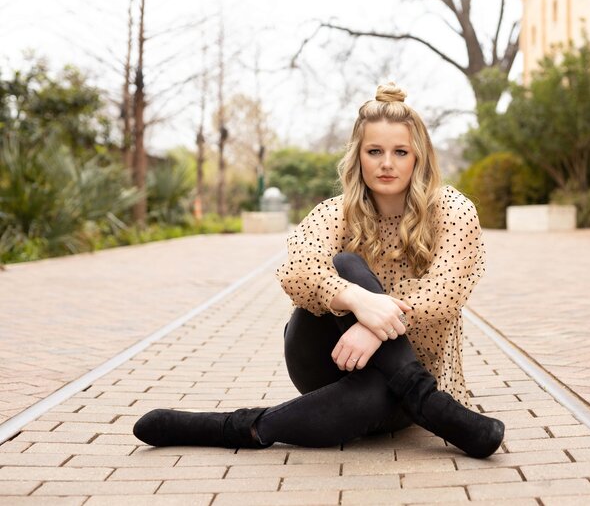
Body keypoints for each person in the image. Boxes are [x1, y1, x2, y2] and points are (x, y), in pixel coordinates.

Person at [133, 82, 504, 458]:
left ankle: (229, 427)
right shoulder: (336, 212)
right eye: (374, 151)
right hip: (324, 357)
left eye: (400, 152)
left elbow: (443, 295)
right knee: (345, 265)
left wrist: (376, 329)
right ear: (358, 156)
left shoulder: (453, 211)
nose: (387, 163)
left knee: (379, 392)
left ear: (418, 157)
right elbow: (298, 268)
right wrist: (357, 300)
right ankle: (434, 408)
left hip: (406, 372)